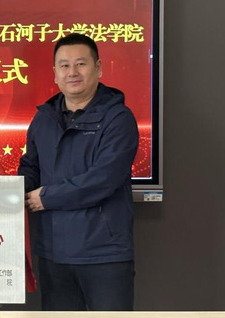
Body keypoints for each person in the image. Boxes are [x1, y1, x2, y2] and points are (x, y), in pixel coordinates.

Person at [17, 33, 138, 311]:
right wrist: (6, 193)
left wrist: (46, 197)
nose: (72, 72)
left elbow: (102, 180)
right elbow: (30, 168)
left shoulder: (118, 119)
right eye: (64, 65)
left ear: (98, 68)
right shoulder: (43, 118)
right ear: (55, 73)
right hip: (53, 254)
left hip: (104, 254)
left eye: (81, 64)